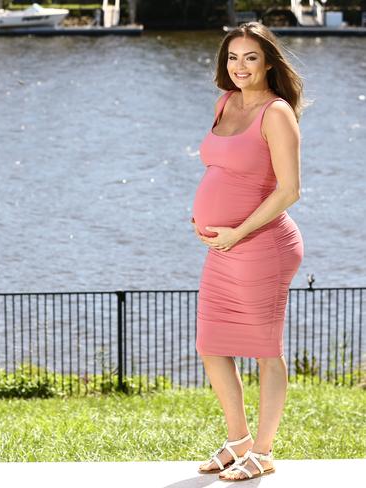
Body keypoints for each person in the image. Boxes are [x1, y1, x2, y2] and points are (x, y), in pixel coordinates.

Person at [190, 22, 305, 482]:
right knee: (212, 345)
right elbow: (224, 169)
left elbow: (289, 190)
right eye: (233, 57)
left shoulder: (276, 113)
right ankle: (238, 441)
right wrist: (203, 217)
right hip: (222, 247)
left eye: (250, 58)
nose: (240, 66)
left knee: (264, 350)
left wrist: (236, 232)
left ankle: (263, 449)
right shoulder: (225, 102)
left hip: (264, 245)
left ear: (269, 62)